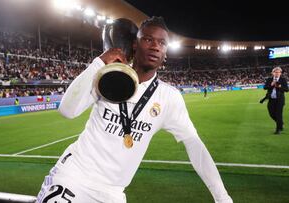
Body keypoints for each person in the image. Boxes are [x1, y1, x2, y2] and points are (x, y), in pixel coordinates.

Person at [36, 17, 232, 203]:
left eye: (162, 43)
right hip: (74, 177)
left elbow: (195, 146)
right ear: (135, 45)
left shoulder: (168, 98)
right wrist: (99, 62)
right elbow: (67, 110)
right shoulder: (108, 76)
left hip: (114, 193)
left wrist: (222, 198)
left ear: (165, 53)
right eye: (148, 39)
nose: (155, 46)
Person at [263, 66, 288, 134]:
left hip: (280, 100)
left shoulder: (283, 79)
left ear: (280, 73)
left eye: (278, 72)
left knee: (278, 114)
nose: (277, 73)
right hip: (271, 99)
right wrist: (271, 85)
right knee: (271, 113)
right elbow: (265, 88)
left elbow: (286, 90)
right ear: (273, 73)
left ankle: (278, 129)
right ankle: (280, 123)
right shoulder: (269, 79)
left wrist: (280, 87)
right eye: (275, 72)